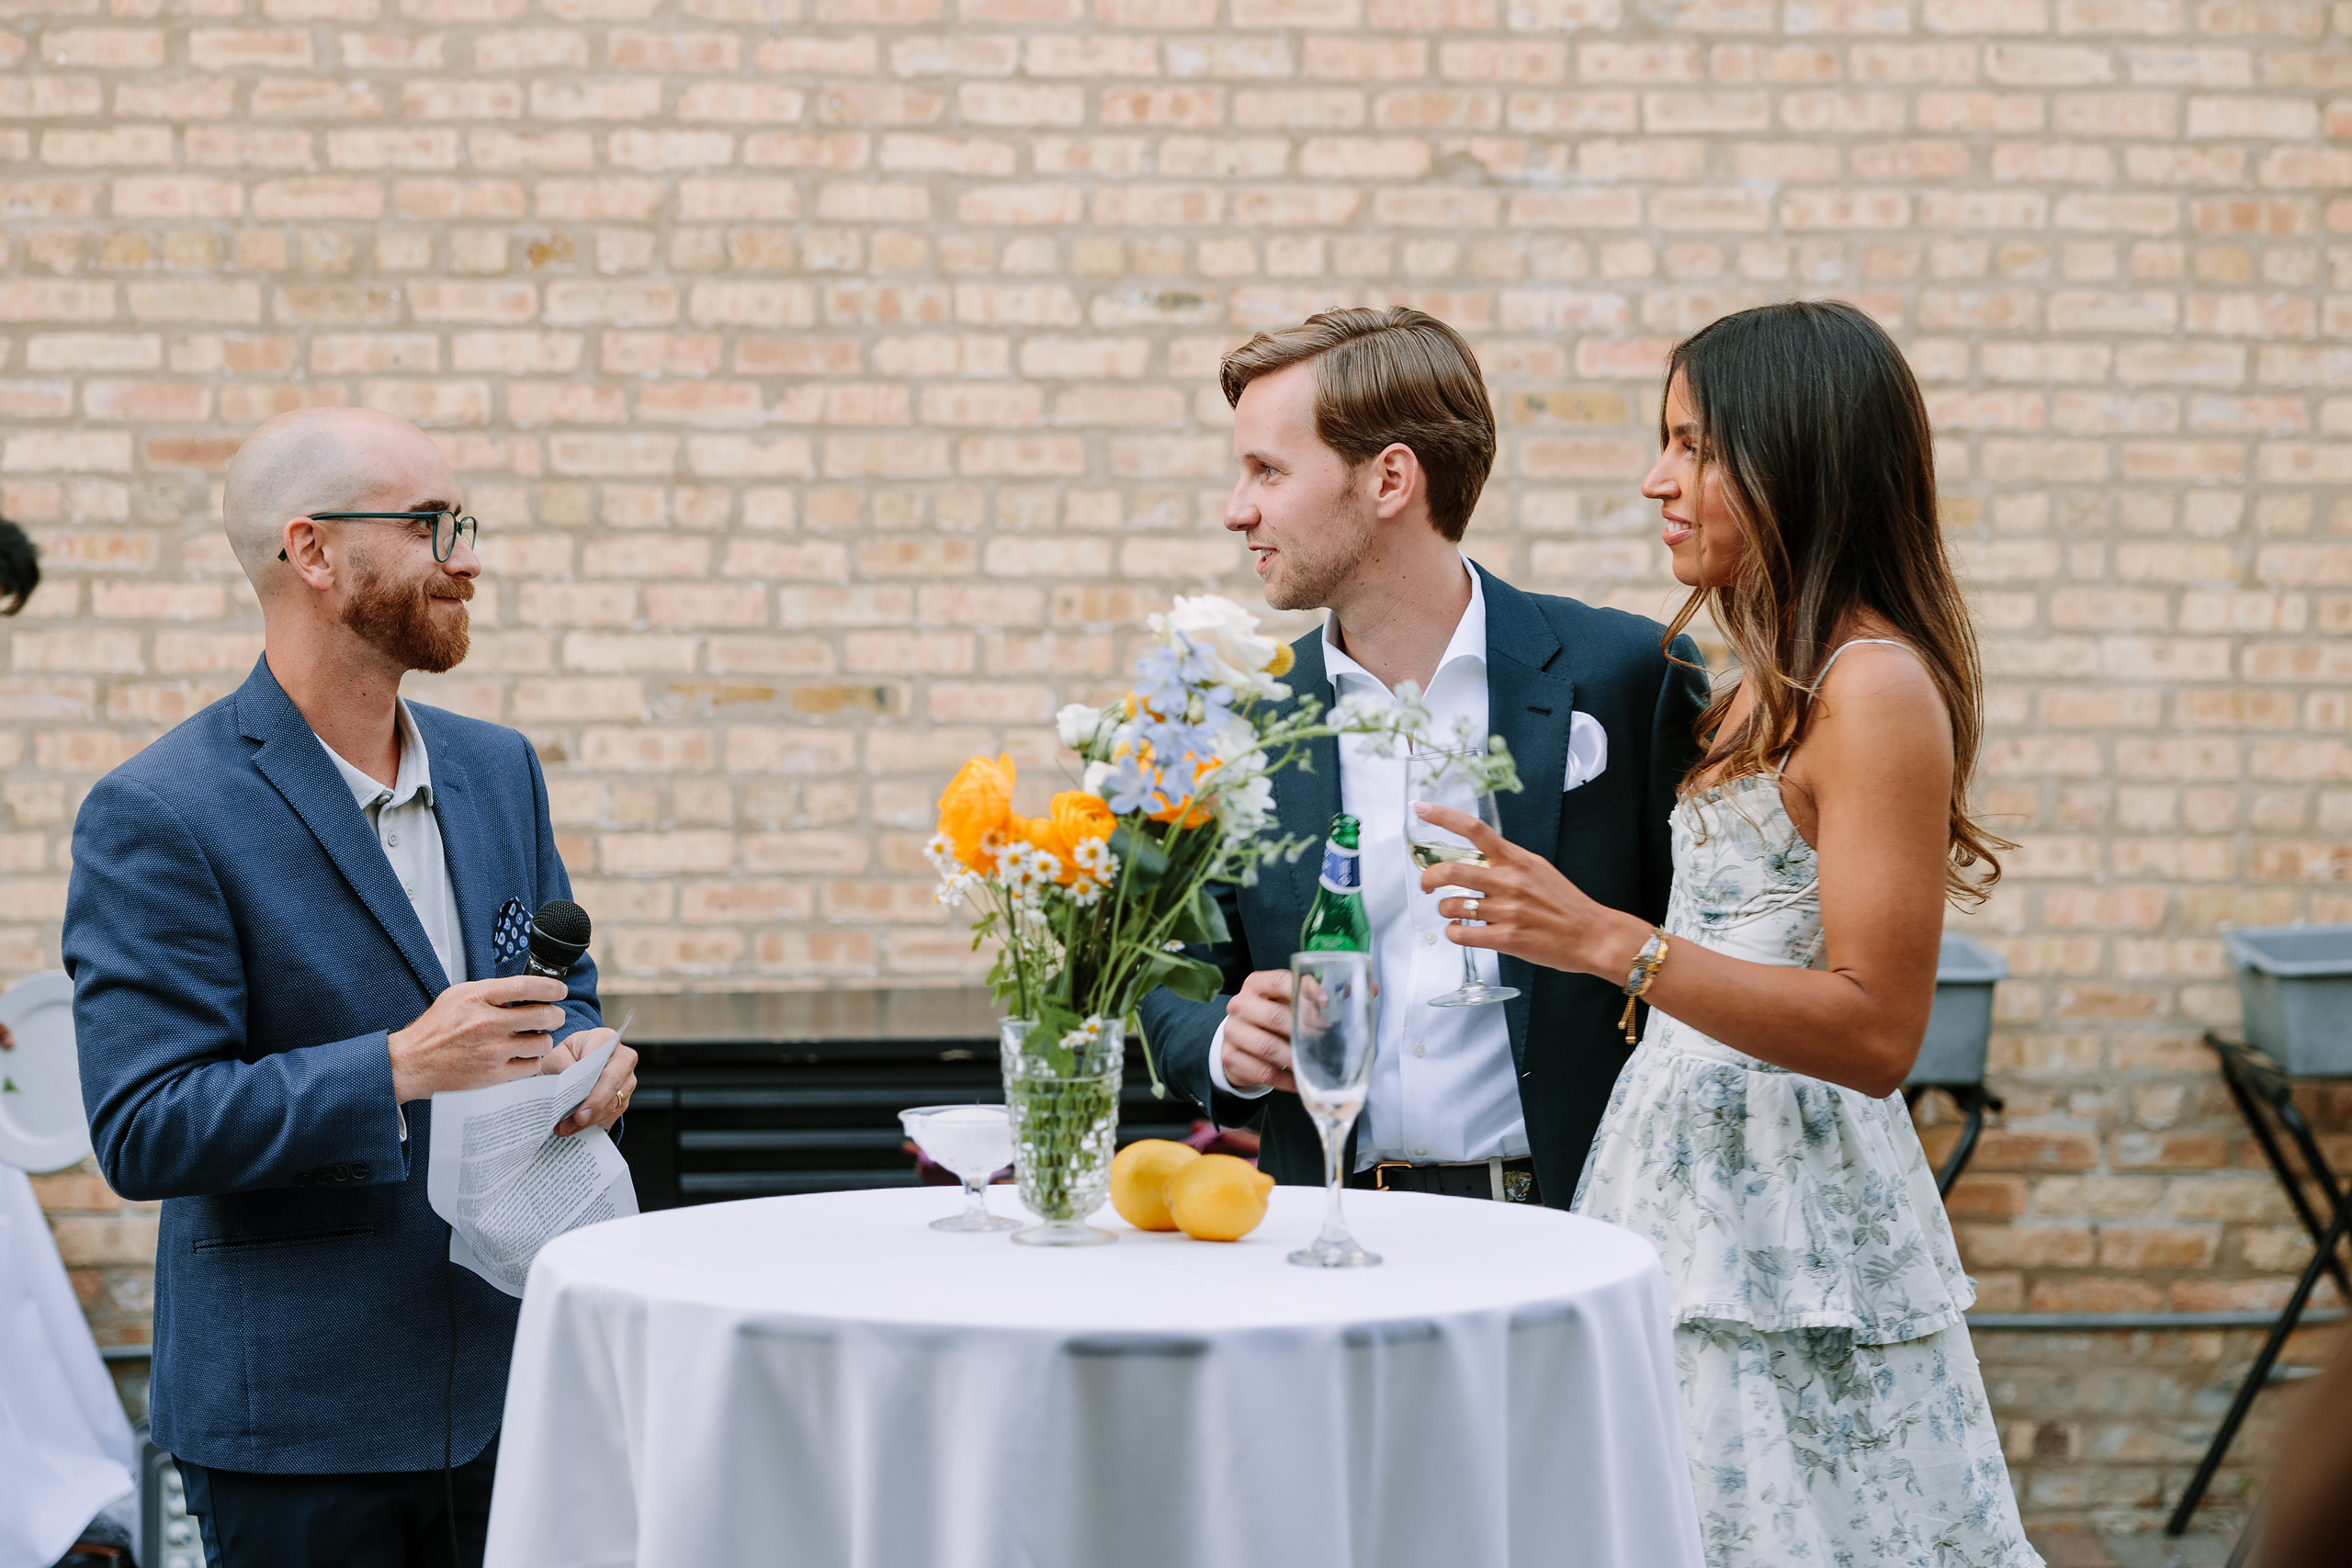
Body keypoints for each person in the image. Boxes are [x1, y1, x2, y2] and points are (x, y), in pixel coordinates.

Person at [1415, 300, 2040, 1565]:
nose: (1660, 477)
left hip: (1787, 1228)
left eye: (1695, 445)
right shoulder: (1759, 677)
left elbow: (1876, 1027)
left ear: (1795, 458)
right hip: (1678, 1187)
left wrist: (1609, 942)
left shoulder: (1870, 687)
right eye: (1666, 441)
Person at [62, 408, 639, 1568]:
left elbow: (556, 988)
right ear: (313, 552)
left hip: (521, 1389)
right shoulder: (159, 813)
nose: (466, 557)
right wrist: (399, 1068)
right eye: (431, 525)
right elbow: (144, 1128)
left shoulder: (498, 770)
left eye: (462, 523)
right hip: (302, 1425)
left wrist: (586, 1054)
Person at [1137, 307, 1709, 1208]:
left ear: (1389, 479)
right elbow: (1163, 963)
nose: (1235, 508)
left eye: (1267, 471)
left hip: (1585, 1228)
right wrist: (1219, 1040)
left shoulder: (1628, 674)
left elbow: (1711, 937)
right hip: (1330, 1233)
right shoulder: (1239, 720)